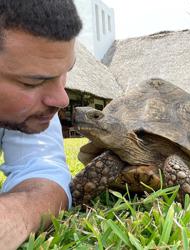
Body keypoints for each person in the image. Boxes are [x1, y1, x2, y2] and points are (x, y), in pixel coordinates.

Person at [0, 0, 82, 248]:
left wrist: (16, 214)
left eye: (64, 73)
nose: (61, 100)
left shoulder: (31, 113)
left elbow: (44, 172)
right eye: (31, 82)